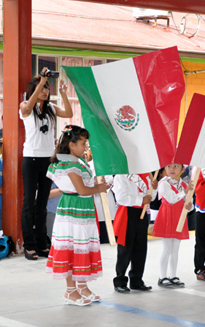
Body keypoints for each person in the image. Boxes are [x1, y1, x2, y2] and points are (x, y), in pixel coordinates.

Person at [46, 125, 109, 306]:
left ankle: (81, 285)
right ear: (72, 145)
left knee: (82, 245)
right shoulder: (70, 163)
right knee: (72, 247)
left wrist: (97, 185)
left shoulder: (78, 161)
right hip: (74, 208)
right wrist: (99, 188)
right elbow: (81, 190)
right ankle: (70, 291)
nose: (86, 147)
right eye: (83, 143)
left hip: (83, 208)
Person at [19, 68, 73, 260]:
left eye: (47, 88)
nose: (45, 91)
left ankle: (43, 244)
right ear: (33, 90)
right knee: (29, 203)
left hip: (47, 160)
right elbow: (27, 108)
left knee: (42, 203)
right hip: (31, 159)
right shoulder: (25, 106)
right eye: (42, 87)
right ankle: (29, 245)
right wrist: (41, 79)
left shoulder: (50, 109)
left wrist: (64, 93)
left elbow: (68, 111)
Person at [112, 172, 158, 293]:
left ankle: (136, 279)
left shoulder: (147, 175)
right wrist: (140, 200)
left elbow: (150, 197)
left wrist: (154, 188)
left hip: (142, 213)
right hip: (127, 213)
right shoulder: (121, 176)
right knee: (125, 249)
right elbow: (121, 198)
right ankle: (120, 281)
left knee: (141, 248)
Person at [152, 163, 193, 288]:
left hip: (179, 218)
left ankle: (173, 275)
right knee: (167, 248)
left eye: (176, 166)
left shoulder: (184, 184)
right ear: (164, 169)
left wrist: (189, 206)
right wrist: (184, 192)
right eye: (169, 166)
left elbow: (189, 203)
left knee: (175, 249)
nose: (172, 169)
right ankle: (162, 276)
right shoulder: (163, 183)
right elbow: (171, 199)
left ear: (183, 169)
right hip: (167, 217)